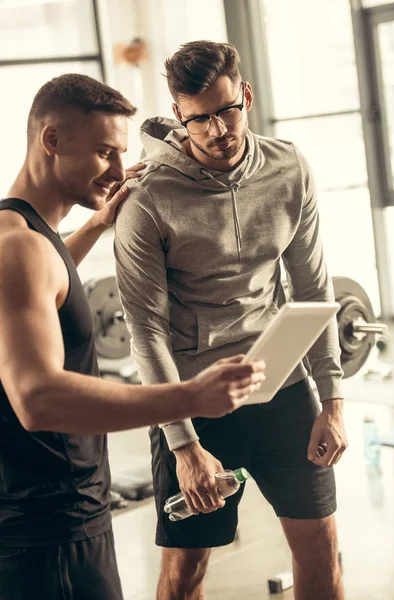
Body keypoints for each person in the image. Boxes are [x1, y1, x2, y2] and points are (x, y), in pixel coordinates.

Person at [0, 73, 265, 600]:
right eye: (104, 153)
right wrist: (190, 397)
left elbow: (49, 286)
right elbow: (38, 398)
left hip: (59, 521)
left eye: (121, 152)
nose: (120, 170)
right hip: (48, 533)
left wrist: (97, 225)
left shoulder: (27, 237)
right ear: (51, 141)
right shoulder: (19, 250)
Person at [114, 41, 348, 600]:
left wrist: (333, 401)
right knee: (186, 571)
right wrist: (184, 445)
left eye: (227, 111)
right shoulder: (146, 200)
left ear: (245, 95)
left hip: (283, 389)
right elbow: (145, 331)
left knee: (321, 549)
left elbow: (314, 288)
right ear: (179, 116)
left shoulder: (289, 168)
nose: (219, 130)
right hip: (193, 400)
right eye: (201, 119)